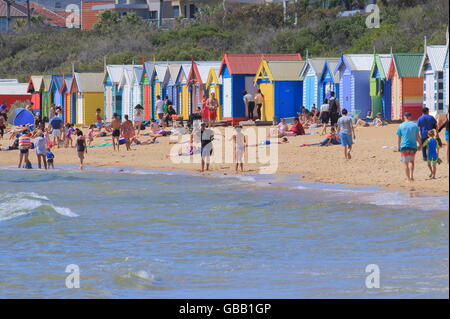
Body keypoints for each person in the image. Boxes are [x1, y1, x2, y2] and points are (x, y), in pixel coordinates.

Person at [396, 112, 422, 182]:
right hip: (413, 146)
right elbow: (417, 137)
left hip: (404, 146)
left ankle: (408, 179)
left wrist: (398, 147)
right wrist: (420, 144)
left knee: (405, 163)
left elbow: (399, 138)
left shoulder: (401, 125)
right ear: (410, 117)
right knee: (411, 161)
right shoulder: (415, 125)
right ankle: (411, 176)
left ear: (404, 117)